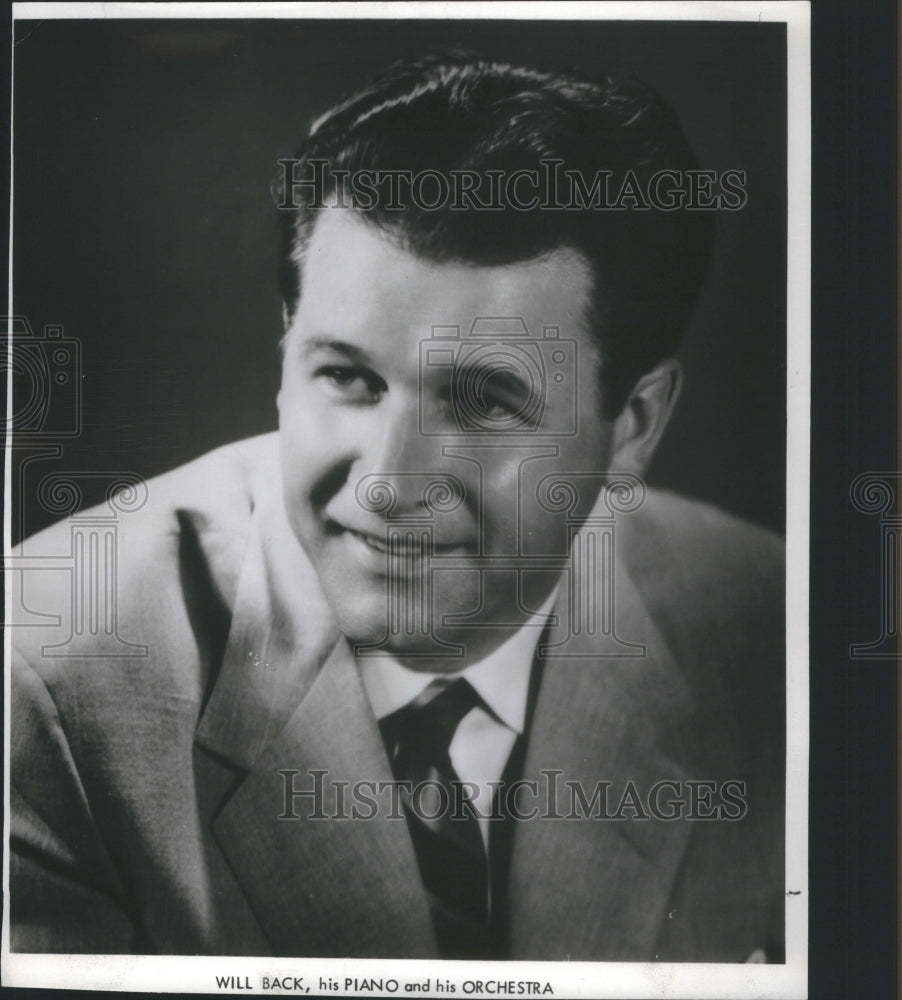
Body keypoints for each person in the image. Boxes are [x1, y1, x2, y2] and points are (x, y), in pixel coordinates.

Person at [9, 52, 785, 961]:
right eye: (347, 377)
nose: (387, 481)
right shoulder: (46, 682)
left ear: (635, 426)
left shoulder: (772, 625)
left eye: (486, 403)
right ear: (285, 354)